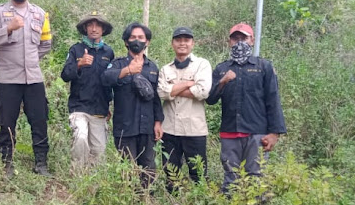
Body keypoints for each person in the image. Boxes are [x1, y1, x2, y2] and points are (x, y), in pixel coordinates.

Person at [0, 0, 52, 178]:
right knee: (6, 122)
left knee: (39, 121)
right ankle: (6, 164)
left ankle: (41, 163)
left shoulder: (41, 14)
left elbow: (45, 45)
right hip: (7, 79)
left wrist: (30, 61)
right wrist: (8, 28)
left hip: (33, 78)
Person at [206, 23, 286, 194]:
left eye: (244, 38)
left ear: (252, 40)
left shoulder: (264, 67)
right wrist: (223, 81)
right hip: (229, 132)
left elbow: (273, 99)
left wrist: (274, 133)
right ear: (229, 42)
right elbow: (210, 99)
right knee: (231, 178)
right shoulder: (222, 69)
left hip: (256, 134)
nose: (240, 42)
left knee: (255, 177)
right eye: (236, 38)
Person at [102, 22, 163, 187]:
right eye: (133, 37)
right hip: (125, 127)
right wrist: (127, 70)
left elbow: (156, 97)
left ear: (147, 42)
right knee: (127, 169)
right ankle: (127, 203)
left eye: (141, 37)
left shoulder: (152, 67)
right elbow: (105, 79)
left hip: (147, 127)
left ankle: (146, 201)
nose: (137, 40)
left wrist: (158, 121)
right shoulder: (118, 64)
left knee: (149, 169)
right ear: (126, 42)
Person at [157, 27, 212, 189]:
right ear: (172, 44)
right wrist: (189, 84)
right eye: (178, 40)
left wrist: (174, 89)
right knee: (171, 173)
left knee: (198, 173)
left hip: (194, 129)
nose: (182, 43)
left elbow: (203, 91)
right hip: (169, 130)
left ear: (192, 44)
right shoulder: (166, 69)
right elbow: (162, 93)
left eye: (186, 40)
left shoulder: (202, 65)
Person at [61, 11, 114, 166]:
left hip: (99, 109)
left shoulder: (108, 52)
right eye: (90, 25)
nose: (94, 28)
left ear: (103, 29)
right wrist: (79, 64)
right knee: (81, 137)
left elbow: (109, 81)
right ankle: (77, 173)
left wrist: (109, 105)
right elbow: (65, 75)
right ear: (85, 28)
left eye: (98, 25)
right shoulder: (76, 50)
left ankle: (93, 184)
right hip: (79, 106)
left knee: (99, 151)